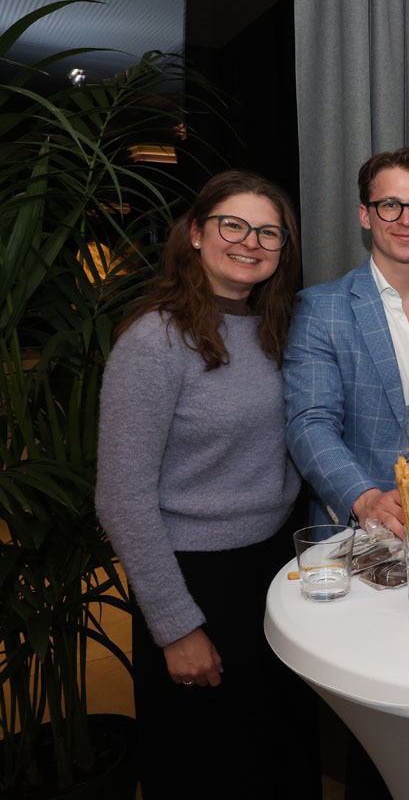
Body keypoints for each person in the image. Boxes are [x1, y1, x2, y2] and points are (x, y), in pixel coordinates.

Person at [96, 170, 315, 796]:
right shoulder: (155, 340)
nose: (251, 242)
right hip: (194, 580)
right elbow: (121, 498)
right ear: (195, 233)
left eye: (269, 233)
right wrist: (176, 626)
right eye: (233, 225)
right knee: (209, 769)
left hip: (273, 571)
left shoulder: (275, 328)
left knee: (278, 758)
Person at [284, 146, 409, 537]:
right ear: (366, 215)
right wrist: (364, 498)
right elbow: (310, 423)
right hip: (361, 533)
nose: (406, 219)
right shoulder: (321, 309)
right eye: (390, 205)